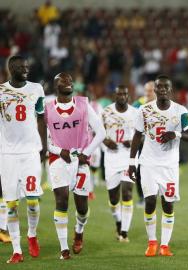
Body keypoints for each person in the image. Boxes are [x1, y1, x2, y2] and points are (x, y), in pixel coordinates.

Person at [128, 75, 188, 257]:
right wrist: (132, 163)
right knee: (149, 201)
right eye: (160, 87)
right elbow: (136, 136)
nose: (163, 90)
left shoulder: (180, 110)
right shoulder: (144, 109)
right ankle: (152, 242)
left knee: (168, 204)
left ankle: (165, 245)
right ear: (155, 90)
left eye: (166, 87)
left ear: (171, 89)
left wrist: (176, 134)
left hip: (169, 166)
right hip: (148, 163)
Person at [45, 72, 105, 259]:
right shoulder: (47, 109)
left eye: (70, 80)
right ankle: (64, 249)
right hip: (58, 160)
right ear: (56, 86)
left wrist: (85, 154)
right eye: (63, 81)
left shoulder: (83, 104)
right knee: (62, 199)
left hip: (80, 161)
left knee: (82, 208)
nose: (68, 83)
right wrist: (58, 151)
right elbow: (42, 139)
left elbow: (101, 132)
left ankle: (79, 230)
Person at [0, 55, 47, 263]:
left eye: (27, 66)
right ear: (11, 68)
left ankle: (32, 235)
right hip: (7, 154)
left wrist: (44, 146)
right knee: (10, 204)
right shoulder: (0, 91)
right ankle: (17, 250)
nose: (26, 69)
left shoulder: (36, 89)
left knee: (33, 200)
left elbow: (41, 118)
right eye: (21, 67)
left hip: (30, 153)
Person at [102, 85, 138, 242]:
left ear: (128, 96)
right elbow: (97, 131)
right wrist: (106, 141)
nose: (122, 96)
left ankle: (124, 232)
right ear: (114, 96)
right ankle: (118, 222)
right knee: (113, 198)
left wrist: (133, 142)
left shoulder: (135, 113)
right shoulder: (105, 112)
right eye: (119, 94)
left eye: (124, 94)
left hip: (129, 158)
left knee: (127, 191)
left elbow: (142, 134)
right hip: (111, 158)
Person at [132, 81, 156, 208]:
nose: (147, 93)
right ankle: (142, 197)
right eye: (146, 90)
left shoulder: (161, 103)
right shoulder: (138, 104)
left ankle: (163, 194)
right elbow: (132, 123)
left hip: (158, 143)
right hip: (142, 143)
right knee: (140, 170)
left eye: (150, 90)